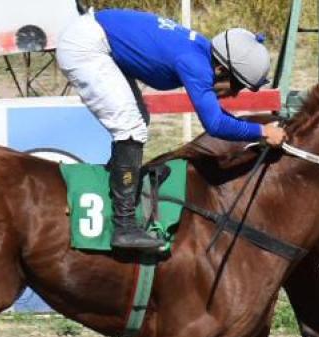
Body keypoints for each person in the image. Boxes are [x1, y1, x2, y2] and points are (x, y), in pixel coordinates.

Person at [56, 8, 287, 250]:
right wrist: (261, 132)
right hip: (86, 47)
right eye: (237, 85)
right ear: (221, 70)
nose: (235, 94)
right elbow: (215, 124)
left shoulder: (205, 54)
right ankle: (124, 227)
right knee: (129, 126)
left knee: (138, 121)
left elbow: (217, 117)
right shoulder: (195, 64)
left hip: (96, 37)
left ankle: (112, 192)